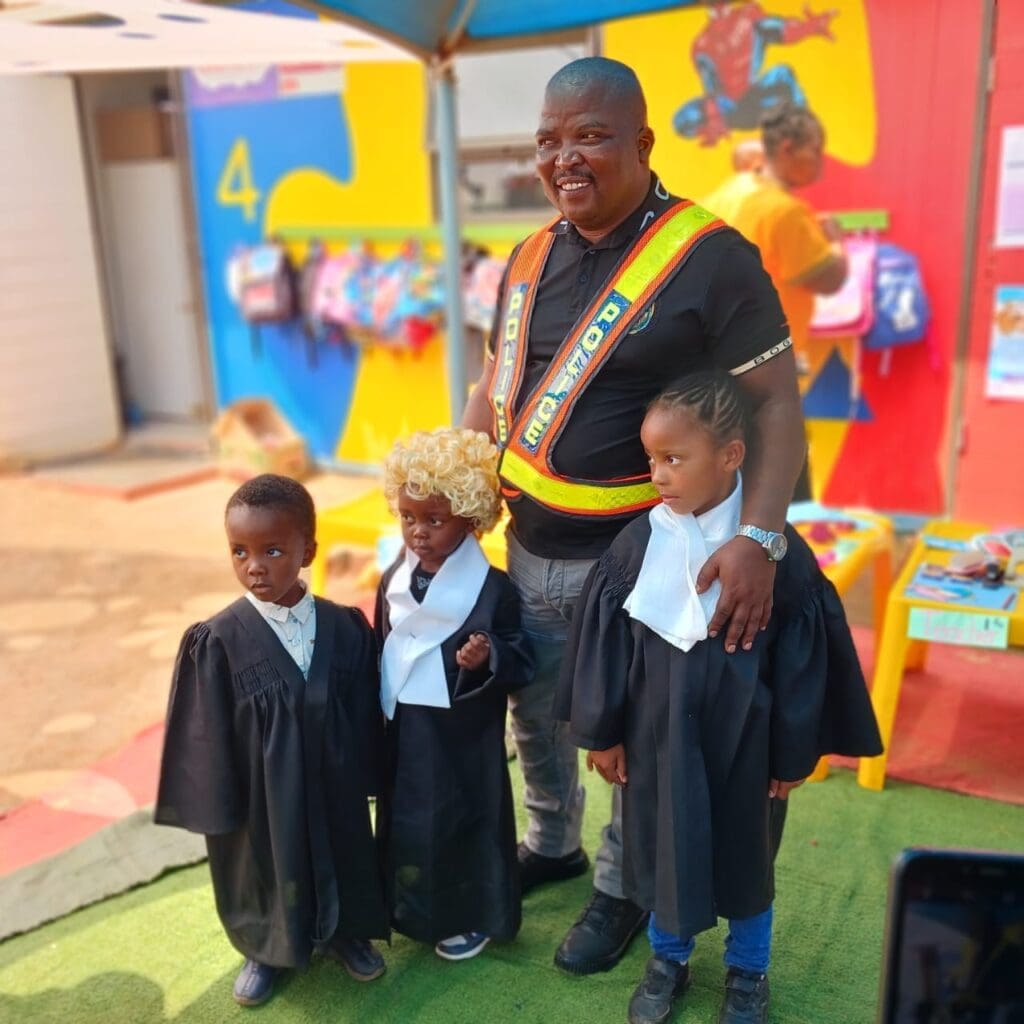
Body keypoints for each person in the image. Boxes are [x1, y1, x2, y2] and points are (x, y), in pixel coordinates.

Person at [461, 56, 806, 977]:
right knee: (537, 715)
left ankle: (622, 887)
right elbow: (496, 384)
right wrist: (456, 489)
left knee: (631, 736)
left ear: (644, 143)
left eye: (589, 136)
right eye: (548, 140)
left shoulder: (713, 257)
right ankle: (553, 843)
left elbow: (777, 401)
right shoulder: (526, 257)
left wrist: (760, 538)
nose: (563, 158)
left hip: (643, 564)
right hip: (526, 549)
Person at [554, 370, 882, 1024]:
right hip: (658, 744)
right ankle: (667, 960)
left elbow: (801, 667)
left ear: (732, 455)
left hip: (747, 749)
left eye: (674, 459)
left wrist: (791, 754)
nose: (658, 476)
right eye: (652, 459)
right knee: (664, 852)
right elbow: (608, 652)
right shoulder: (638, 545)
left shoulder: (778, 559)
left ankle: (748, 972)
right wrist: (605, 732)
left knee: (747, 859)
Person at [155, 474, 388, 1007]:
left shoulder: (345, 627)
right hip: (260, 794)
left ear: (308, 551)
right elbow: (205, 735)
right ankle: (265, 949)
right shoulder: (216, 642)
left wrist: (370, 773)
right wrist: (219, 802)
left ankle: (345, 932)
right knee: (262, 864)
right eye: (239, 551)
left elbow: (364, 710)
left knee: (343, 848)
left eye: (272, 551)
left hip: (333, 783)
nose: (253, 566)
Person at [375, 428, 534, 962]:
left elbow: (521, 657)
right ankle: (405, 908)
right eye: (408, 517)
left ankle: (470, 915)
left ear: (470, 517)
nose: (417, 532)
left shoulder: (493, 588)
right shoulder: (394, 579)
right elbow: (383, 645)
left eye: (434, 520)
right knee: (407, 821)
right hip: (406, 729)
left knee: (461, 824)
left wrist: (488, 656)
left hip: (462, 739)